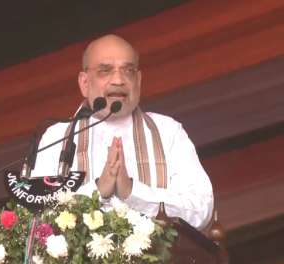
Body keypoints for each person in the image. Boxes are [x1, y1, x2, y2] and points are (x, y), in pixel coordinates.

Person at [31, 34, 213, 230]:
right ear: (84, 83)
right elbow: (38, 217)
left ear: (139, 80)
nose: (118, 80)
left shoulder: (167, 131)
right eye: (105, 70)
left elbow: (202, 209)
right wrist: (98, 190)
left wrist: (131, 191)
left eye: (128, 71)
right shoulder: (57, 137)